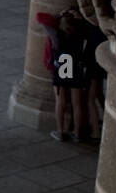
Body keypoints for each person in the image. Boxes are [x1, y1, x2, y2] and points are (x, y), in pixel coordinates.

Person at [37, 8, 91, 142]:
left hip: (61, 71)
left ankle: (61, 131)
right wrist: (78, 17)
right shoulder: (79, 33)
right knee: (77, 104)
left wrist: (59, 14)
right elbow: (87, 25)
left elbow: (41, 17)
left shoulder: (57, 35)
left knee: (60, 102)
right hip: (75, 70)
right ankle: (77, 133)